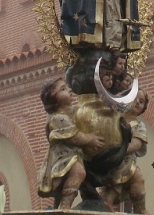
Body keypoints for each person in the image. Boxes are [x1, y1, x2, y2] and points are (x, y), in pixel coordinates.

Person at [37, 78, 104, 208]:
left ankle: (59, 206)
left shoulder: (68, 112)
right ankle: (65, 206)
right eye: (62, 89)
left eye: (66, 87)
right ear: (53, 98)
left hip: (73, 156)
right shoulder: (57, 118)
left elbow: (80, 111)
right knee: (79, 173)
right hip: (64, 158)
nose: (69, 89)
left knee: (72, 177)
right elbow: (74, 137)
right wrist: (90, 139)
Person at [101, 89, 150, 214]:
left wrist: (122, 151)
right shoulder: (115, 118)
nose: (138, 103)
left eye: (141, 101)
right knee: (113, 185)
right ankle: (107, 202)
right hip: (113, 162)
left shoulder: (139, 125)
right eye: (135, 99)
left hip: (128, 161)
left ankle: (140, 208)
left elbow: (137, 143)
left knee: (139, 182)